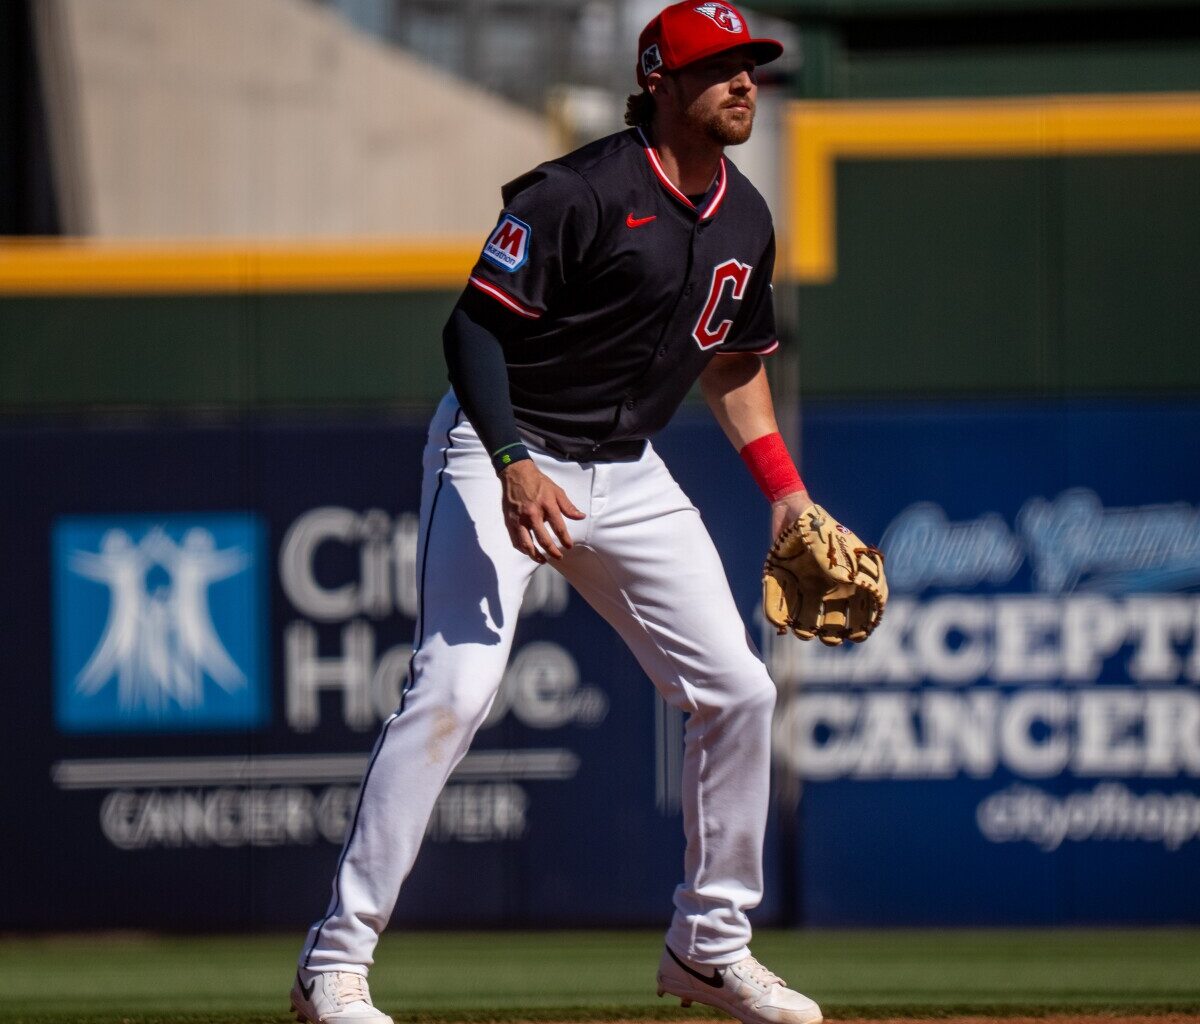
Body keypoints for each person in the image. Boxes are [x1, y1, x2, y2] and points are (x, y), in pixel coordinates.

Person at [292, 4, 827, 1022]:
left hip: (627, 470)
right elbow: (473, 333)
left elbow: (732, 365)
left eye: (751, 64)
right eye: (719, 67)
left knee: (740, 692)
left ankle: (709, 949)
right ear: (659, 80)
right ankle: (335, 961)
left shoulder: (748, 218)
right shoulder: (579, 191)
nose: (744, 82)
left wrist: (786, 493)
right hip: (506, 441)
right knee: (452, 686)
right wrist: (508, 463)